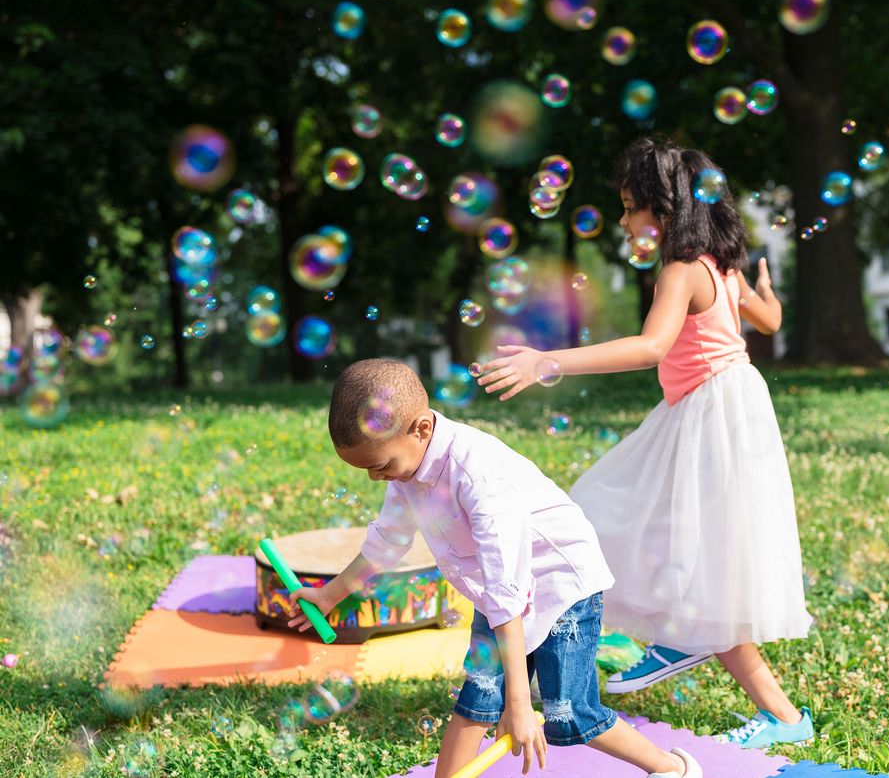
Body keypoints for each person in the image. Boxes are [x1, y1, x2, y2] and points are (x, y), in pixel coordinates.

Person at [476, 137, 815, 749]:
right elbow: (770, 322)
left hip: (710, 416)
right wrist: (768, 298)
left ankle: (783, 717)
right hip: (714, 411)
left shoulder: (683, 269)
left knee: (636, 534)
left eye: (633, 206)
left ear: (667, 207)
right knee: (623, 521)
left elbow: (651, 346)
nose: (626, 220)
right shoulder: (721, 263)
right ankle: (680, 638)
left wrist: (547, 361)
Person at [289, 358, 702, 777]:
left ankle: (672, 768)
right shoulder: (405, 472)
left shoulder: (476, 474)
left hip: (560, 586)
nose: (377, 478)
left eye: (381, 465)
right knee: (480, 692)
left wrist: (520, 705)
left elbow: (509, 587)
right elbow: (388, 541)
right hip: (496, 589)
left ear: (421, 429)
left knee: (567, 711)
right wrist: (330, 594)